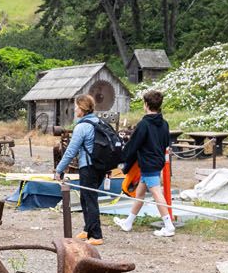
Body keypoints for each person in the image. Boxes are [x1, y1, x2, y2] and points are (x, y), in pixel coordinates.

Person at [52, 93, 120, 244]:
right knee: (85, 197)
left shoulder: (82, 127)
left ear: (82, 109)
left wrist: (59, 170)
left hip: (88, 167)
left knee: (90, 199)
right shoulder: (99, 122)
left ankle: (96, 236)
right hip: (100, 166)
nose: (74, 109)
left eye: (76, 106)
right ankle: (87, 229)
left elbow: (71, 151)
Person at [114, 89, 174, 238]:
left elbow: (133, 144)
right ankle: (128, 222)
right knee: (139, 193)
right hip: (157, 162)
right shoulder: (164, 124)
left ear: (146, 104)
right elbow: (166, 143)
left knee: (156, 193)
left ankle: (168, 225)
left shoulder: (144, 124)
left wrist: (120, 157)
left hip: (148, 164)